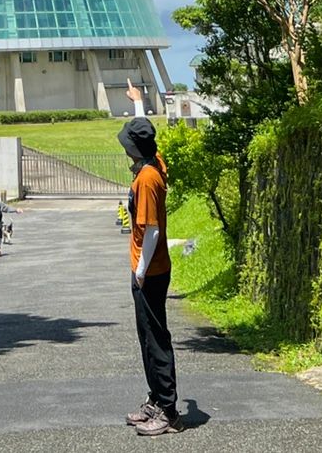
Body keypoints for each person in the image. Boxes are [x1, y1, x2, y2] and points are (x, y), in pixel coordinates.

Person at [119, 83, 180, 436]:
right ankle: (156, 400)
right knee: (147, 338)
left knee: (155, 339)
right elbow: (146, 135)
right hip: (149, 269)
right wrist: (139, 104)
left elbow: (153, 230)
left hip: (150, 271)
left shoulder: (146, 179)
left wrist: (140, 272)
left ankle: (168, 410)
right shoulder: (154, 162)